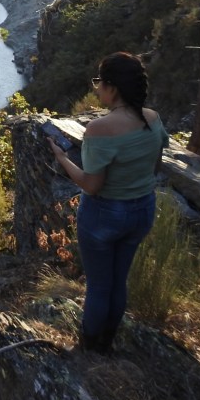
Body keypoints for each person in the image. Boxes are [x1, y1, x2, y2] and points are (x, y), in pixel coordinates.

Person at [47, 52, 168, 354]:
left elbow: (91, 184)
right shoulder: (153, 119)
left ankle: (89, 348)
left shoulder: (100, 128)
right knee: (118, 280)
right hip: (142, 209)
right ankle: (107, 342)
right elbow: (155, 163)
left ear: (112, 87)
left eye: (99, 82)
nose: (97, 88)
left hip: (104, 214)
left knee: (99, 285)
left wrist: (62, 158)